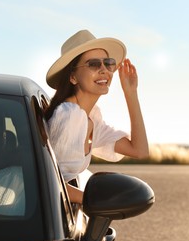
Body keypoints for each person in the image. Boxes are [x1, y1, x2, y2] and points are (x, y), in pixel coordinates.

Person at [45, 30, 149, 204]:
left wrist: (131, 93)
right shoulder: (70, 115)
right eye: (93, 64)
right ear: (72, 77)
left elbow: (139, 150)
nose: (104, 70)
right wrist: (98, 202)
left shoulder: (90, 118)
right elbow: (50, 182)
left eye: (108, 63)